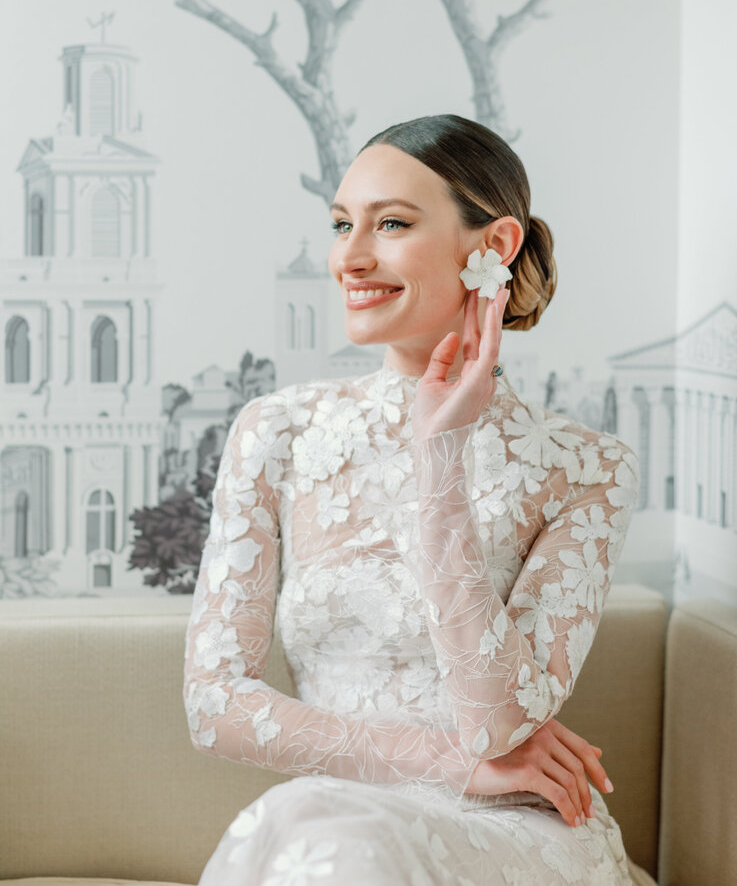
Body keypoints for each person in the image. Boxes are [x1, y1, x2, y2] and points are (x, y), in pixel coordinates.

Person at [183, 113, 641, 885]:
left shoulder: (589, 468)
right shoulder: (277, 431)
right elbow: (215, 704)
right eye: (340, 225)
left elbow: (498, 721)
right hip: (336, 816)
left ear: (492, 246)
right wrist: (449, 765)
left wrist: (441, 459)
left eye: (390, 223)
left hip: (514, 834)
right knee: (327, 838)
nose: (349, 257)